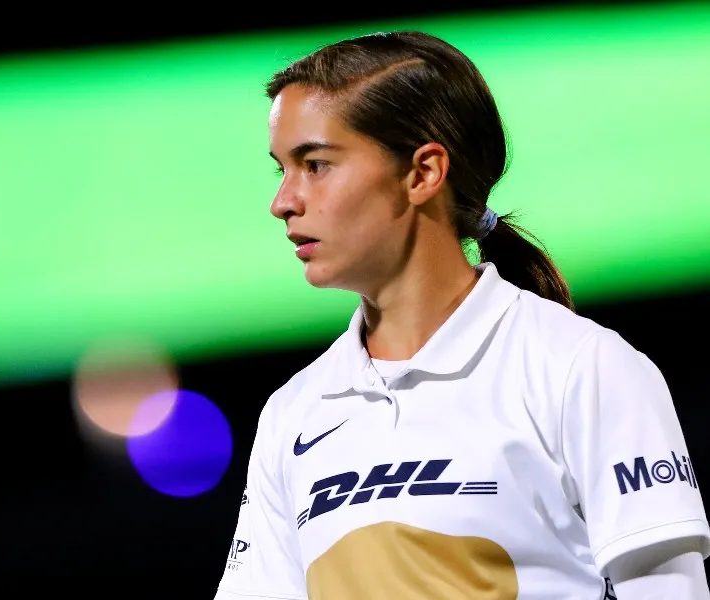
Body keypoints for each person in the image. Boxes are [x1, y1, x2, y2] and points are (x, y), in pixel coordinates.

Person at [213, 31, 709, 599]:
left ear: (424, 172)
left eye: (316, 164)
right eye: (282, 168)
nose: (283, 201)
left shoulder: (584, 368)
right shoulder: (291, 413)